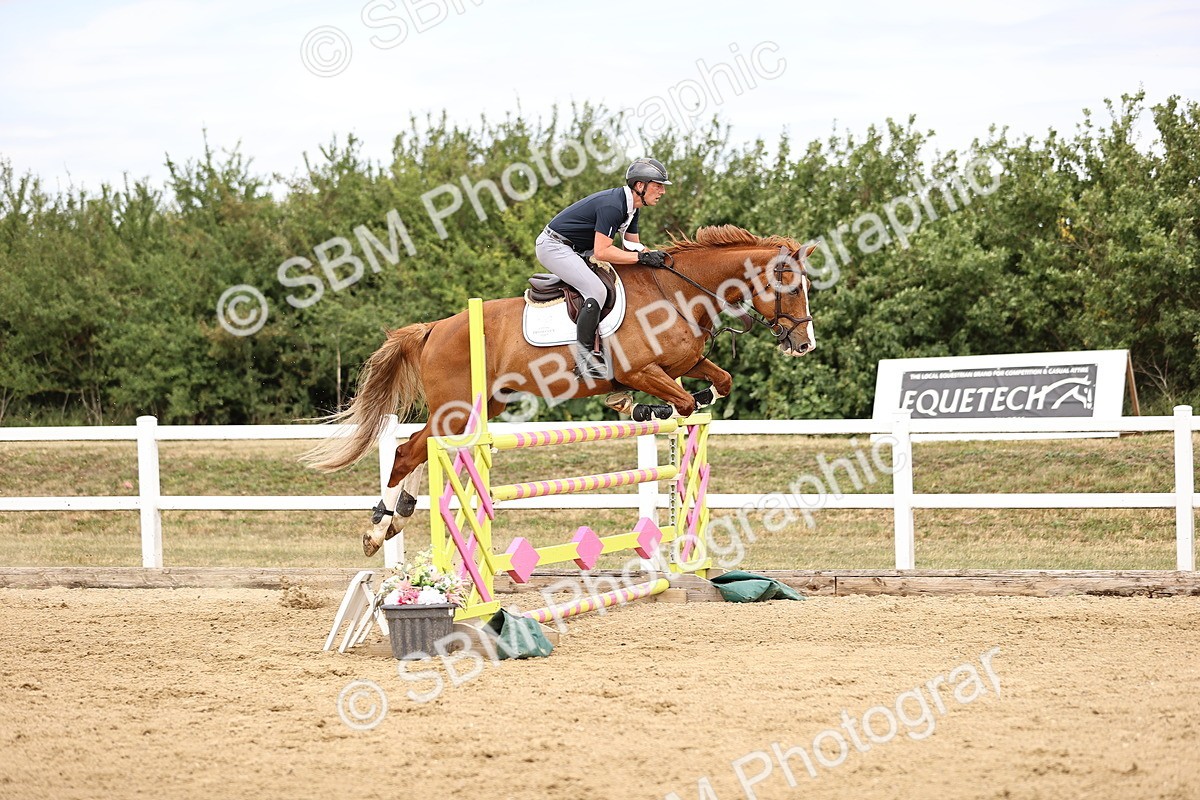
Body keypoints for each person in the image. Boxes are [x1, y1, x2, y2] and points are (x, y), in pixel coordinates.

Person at [535, 157, 673, 378]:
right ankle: (585, 359)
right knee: (597, 290)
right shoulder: (613, 205)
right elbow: (602, 252)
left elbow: (631, 244)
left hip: (578, 250)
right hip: (554, 246)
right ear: (640, 186)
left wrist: (654, 257)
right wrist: (640, 259)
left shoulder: (632, 208)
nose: (662, 192)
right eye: (658, 186)